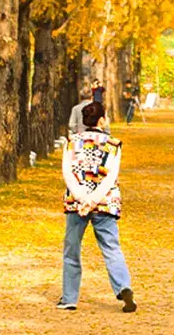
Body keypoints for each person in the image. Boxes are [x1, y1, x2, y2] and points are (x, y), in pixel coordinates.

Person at [58, 101, 137, 313]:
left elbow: (67, 173)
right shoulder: (113, 144)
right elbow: (111, 176)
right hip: (105, 202)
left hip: (77, 204)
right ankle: (123, 286)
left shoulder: (71, 142)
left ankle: (69, 298)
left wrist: (82, 198)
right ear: (101, 120)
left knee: (72, 249)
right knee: (111, 247)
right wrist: (94, 199)